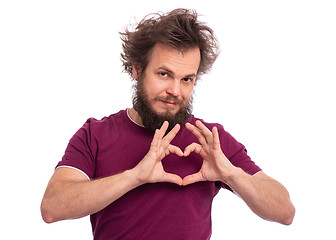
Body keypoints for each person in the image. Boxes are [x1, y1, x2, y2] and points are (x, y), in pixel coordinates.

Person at [41, 8, 295, 239]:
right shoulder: (95, 134)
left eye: (187, 79)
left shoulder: (209, 140)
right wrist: (135, 177)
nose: (175, 90)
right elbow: (53, 207)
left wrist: (231, 174)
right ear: (137, 70)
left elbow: (284, 212)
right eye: (164, 74)